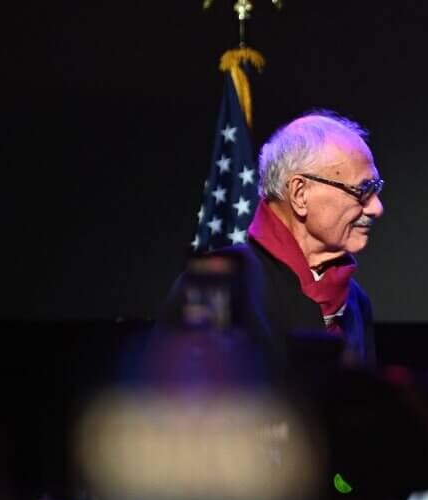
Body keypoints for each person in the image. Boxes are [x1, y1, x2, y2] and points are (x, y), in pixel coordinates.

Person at [163, 110, 383, 367]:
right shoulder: (219, 285)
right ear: (300, 194)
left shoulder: (356, 301)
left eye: (376, 190)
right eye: (363, 190)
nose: (377, 208)